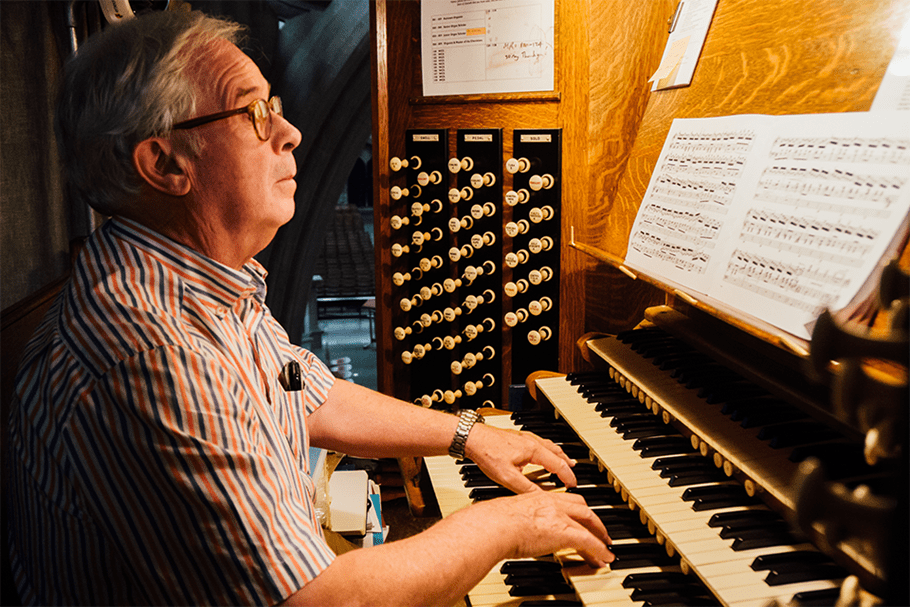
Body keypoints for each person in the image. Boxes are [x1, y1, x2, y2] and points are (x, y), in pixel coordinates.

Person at [7, 10, 613, 606]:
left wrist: (465, 434)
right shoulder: (156, 352)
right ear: (166, 164)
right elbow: (322, 602)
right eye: (254, 112)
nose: (289, 131)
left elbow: (303, 389)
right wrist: (505, 526)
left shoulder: (196, 281)